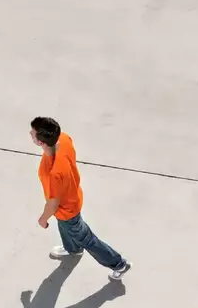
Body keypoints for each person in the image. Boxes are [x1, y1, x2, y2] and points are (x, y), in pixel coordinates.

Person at [30, 117, 131, 281]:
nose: (30, 134)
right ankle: (73, 249)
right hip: (72, 198)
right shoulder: (64, 138)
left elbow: (53, 203)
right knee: (65, 227)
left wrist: (43, 218)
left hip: (68, 210)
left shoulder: (53, 172)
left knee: (88, 240)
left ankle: (119, 264)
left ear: (41, 142)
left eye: (33, 134)